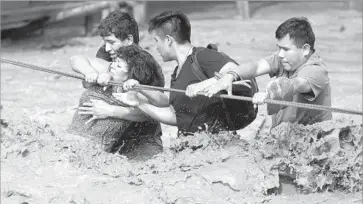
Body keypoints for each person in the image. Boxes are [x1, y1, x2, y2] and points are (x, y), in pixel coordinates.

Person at [122, 11, 257, 136]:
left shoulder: (204, 56)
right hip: (192, 145)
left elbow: (235, 71)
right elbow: (176, 117)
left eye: (156, 41)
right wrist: (139, 101)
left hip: (218, 145)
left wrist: (203, 84)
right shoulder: (177, 73)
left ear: (168, 40)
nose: (156, 47)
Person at [186, 17, 332, 128]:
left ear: (305, 49)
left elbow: (296, 85)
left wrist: (270, 94)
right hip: (285, 135)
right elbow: (255, 67)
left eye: (286, 49)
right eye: (279, 48)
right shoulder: (282, 59)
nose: (280, 54)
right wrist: (230, 76)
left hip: (314, 143)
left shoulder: (316, 70)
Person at [67, 10, 167, 159]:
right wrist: (91, 73)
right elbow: (76, 60)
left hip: (142, 141)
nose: (107, 48)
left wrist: (110, 110)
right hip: (113, 138)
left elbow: (156, 112)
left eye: (111, 42)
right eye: (105, 42)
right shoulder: (110, 54)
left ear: (129, 39)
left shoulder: (146, 66)